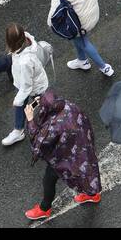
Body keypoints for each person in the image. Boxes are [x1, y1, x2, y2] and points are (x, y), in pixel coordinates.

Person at [22, 90, 103, 219]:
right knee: (86, 170)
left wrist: (30, 120)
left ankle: (44, 208)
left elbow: (39, 141)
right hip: (83, 145)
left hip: (64, 156)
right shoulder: (68, 106)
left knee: (49, 179)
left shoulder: (55, 124)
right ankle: (92, 194)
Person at [0, 23, 50, 146]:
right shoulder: (25, 39)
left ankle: (46, 129)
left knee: (39, 105)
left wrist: (17, 100)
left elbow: (27, 87)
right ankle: (19, 130)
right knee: (31, 105)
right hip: (29, 84)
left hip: (35, 89)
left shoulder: (25, 62)